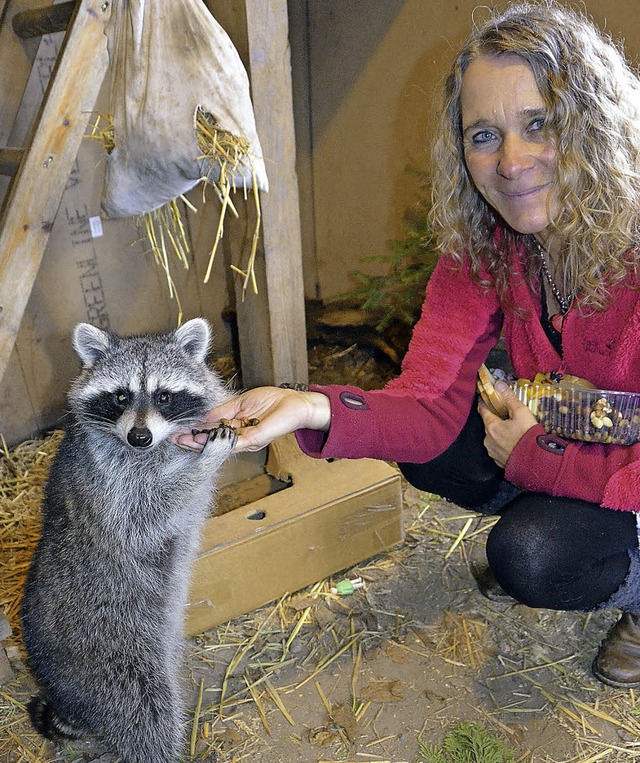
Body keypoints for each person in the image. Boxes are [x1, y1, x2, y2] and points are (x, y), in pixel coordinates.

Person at [177, 2, 640, 688]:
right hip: (575, 432)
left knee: (535, 557)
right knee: (433, 441)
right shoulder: (489, 245)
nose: (511, 161)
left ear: (591, 122)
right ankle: (565, 520)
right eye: (484, 135)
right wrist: (308, 407)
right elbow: (421, 405)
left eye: (538, 123)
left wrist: (542, 464)